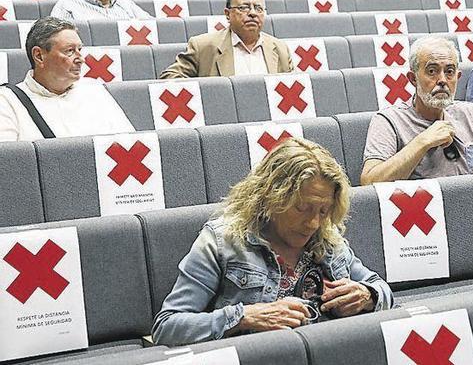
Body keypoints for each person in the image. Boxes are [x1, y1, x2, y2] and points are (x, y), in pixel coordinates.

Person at [152, 137, 392, 346]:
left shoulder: (327, 239)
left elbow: (382, 290)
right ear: (272, 196)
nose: (313, 223)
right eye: (302, 208)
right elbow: (167, 327)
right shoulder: (222, 241)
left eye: (323, 211)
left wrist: (367, 295)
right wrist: (244, 317)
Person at [361, 36, 473, 185]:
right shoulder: (389, 120)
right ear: (413, 79)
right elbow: (370, 181)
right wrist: (422, 142)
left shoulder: (469, 114)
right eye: (432, 71)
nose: (442, 79)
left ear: (457, 77)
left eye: (449, 72)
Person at [0, 17, 134, 141]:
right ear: (39, 56)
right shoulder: (7, 101)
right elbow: (8, 161)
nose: (81, 59)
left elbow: (129, 143)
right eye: (69, 50)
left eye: (79, 49)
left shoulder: (95, 89)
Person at [160, 0, 292, 78]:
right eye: (244, 7)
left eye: (258, 8)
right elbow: (169, 78)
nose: (252, 13)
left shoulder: (280, 49)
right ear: (227, 14)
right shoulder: (202, 46)